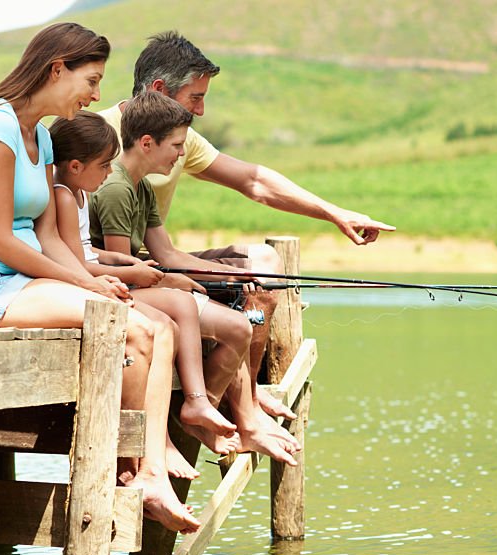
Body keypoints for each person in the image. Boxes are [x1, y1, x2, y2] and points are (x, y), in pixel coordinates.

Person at [0, 22, 198, 534]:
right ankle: (137, 473)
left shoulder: (39, 135)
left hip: (24, 281)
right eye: (92, 80)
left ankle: (137, 470)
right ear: (57, 69)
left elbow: (51, 238)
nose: (97, 96)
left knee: (151, 324)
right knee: (135, 327)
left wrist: (90, 278)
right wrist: (83, 285)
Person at [100, 31, 396, 417]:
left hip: (159, 258)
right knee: (233, 291)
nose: (202, 112)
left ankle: (244, 400)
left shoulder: (181, 138)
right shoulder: (99, 133)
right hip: (117, 267)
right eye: (196, 97)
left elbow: (253, 180)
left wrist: (334, 213)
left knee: (264, 265)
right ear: (159, 89)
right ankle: (236, 410)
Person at [90, 92, 301, 466]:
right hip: (124, 291)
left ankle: (203, 410)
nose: (180, 155)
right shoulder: (117, 189)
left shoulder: (141, 186)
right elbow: (125, 270)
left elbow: (168, 255)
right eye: (176, 146)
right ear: (146, 143)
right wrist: (174, 283)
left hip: (149, 282)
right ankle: (198, 409)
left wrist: (235, 275)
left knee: (239, 326)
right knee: (236, 327)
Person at [49, 110, 241, 473]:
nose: (109, 172)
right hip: (84, 288)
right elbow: (77, 264)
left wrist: (130, 266)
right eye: (104, 165)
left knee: (179, 308)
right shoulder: (67, 196)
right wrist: (131, 269)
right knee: (171, 316)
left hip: (102, 278)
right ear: (75, 166)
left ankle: (196, 403)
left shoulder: (78, 193)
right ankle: (161, 440)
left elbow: (89, 252)